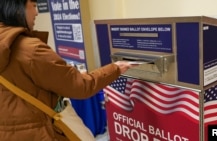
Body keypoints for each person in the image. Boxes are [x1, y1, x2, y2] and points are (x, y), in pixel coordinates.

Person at [0, 0, 137, 140]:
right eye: (33, 5)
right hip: (42, 132)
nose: (36, 12)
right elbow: (80, 86)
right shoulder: (31, 50)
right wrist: (116, 68)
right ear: (16, 7)